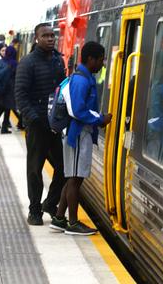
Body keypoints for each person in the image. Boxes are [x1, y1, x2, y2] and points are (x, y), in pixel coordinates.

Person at [51, 41, 112, 235]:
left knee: (72, 178)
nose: (102, 64)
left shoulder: (84, 78)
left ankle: (60, 218)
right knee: (76, 180)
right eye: (101, 59)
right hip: (77, 135)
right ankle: (73, 223)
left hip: (78, 134)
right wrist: (100, 119)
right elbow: (78, 110)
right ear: (91, 59)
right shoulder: (81, 80)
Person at [15, 23, 66, 225]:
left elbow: (61, 90)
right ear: (36, 39)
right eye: (45, 36)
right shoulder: (28, 63)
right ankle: (34, 210)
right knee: (35, 170)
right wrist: (34, 119)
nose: (50, 39)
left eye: (52, 35)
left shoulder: (57, 61)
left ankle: (50, 203)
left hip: (54, 125)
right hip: (37, 127)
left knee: (63, 168)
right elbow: (20, 95)